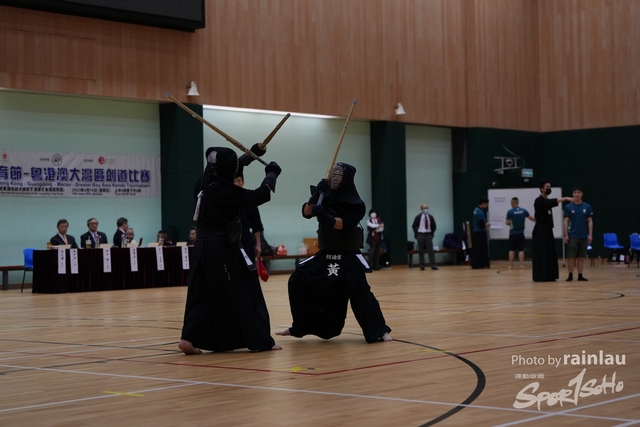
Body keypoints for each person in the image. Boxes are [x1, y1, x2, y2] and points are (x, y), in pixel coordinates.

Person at [178, 145, 282, 355]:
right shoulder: (225, 191)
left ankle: (188, 338)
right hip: (222, 249)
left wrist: (252, 154)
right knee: (247, 290)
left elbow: (233, 166)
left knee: (202, 294)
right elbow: (259, 195)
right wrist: (271, 174)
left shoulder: (203, 183)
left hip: (202, 248)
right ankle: (261, 340)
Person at [276, 162, 392, 343]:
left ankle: (379, 330)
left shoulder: (357, 205)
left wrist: (323, 215)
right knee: (297, 279)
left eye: (339, 175)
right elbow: (307, 212)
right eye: (334, 175)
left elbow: (341, 224)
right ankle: (301, 326)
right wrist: (316, 194)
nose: (335, 179)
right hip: (325, 254)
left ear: (347, 179)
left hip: (348, 255)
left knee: (360, 291)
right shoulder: (324, 195)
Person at [532, 179, 574, 282]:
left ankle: (549, 275)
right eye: (547, 187)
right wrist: (565, 198)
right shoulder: (539, 201)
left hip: (548, 229)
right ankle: (541, 275)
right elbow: (549, 203)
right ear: (542, 189)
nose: (549, 189)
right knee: (542, 252)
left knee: (550, 252)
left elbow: (549, 203)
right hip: (540, 229)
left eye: (550, 187)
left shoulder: (546, 201)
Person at [563, 186, 593, 281]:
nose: (576, 194)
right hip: (572, 235)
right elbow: (566, 221)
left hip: (583, 235)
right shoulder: (568, 207)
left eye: (578, 192)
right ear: (572, 194)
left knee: (581, 256)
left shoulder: (587, 206)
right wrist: (566, 235)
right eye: (575, 192)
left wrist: (590, 234)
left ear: (582, 194)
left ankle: (580, 275)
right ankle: (570, 275)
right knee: (571, 256)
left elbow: (590, 221)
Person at [505, 198, 535, 269]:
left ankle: (511, 265)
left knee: (511, 249)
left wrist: (510, 223)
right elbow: (530, 217)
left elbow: (507, 222)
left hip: (512, 233)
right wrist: (537, 221)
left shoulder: (510, 212)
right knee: (521, 250)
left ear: (513, 203)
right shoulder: (523, 211)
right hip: (521, 233)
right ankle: (521, 265)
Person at [411, 204, 438, 270]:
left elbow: (434, 226)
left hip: (428, 235)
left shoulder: (430, 217)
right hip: (420, 235)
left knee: (430, 251)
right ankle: (422, 266)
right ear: (421, 209)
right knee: (421, 251)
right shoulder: (418, 217)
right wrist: (417, 234)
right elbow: (414, 226)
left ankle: (433, 265)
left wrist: (431, 234)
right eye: (424, 208)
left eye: (427, 208)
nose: (426, 209)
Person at [471, 197, 491, 269]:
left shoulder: (475, 210)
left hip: (476, 232)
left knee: (476, 249)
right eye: (486, 204)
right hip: (480, 233)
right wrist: (487, 224)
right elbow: (481, 224)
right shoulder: (480, 212)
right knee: (482, 249)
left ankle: (475, 264)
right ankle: (482, 263)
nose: (486, 206)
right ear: (483, 203)